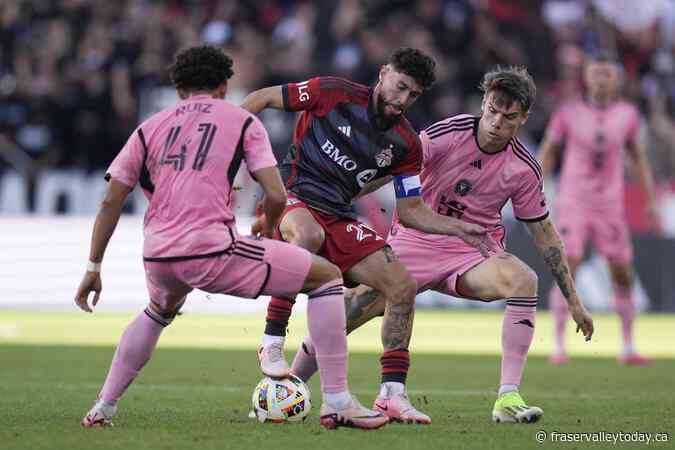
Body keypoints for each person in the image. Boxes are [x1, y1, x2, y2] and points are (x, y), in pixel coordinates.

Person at [74, 45, 388, 430]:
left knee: (157, 312)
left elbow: (110, 202)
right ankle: (338, 401)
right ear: (225, 85)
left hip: (158, 254)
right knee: (325, 278)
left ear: (179, 88)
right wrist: (270, 229)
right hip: (211, 248)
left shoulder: (149, 127)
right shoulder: (240, 120)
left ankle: (103, 407)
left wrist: (93, 266)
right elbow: (275, 194)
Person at [288, 66, 595, 424]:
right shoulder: (449, 134)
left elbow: (544, 233)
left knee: (524, 280)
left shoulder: (523, 168)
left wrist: (575, 302)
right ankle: (290, 384)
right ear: (484, 102)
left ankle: (507, 398)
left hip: (470, 253)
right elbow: (393, 170)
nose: (496, 122)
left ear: (524, 118)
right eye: (493, 110)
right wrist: (334, 199)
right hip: (415, 240)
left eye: (509, 117)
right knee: (348, 312)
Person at [241, 47, 494, 424]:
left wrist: (459, 227)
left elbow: (410, 211)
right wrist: (231, 155)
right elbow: (258, 98)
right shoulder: (331, 92)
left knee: (402, 285)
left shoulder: (406, 144)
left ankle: (392, 394)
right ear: (383, 73)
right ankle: (272, 340)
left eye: (413, 95)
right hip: (292, 194)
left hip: (338, 214)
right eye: (400, 86)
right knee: (307, 236)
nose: (403, 99)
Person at [538, 51, 658, 366]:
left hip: (610, 205)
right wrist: (534, 186)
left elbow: (638, 156)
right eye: (597, 72)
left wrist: (650, 198)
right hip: (574, 200)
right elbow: (549, 151)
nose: (602, 78)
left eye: (608, 73)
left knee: (622, 271)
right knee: (570, 264)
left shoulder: (628, 115)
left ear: (617, 79)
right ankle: (559, 345)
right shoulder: (568, 112)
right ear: (587, 77)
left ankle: (628, 346)